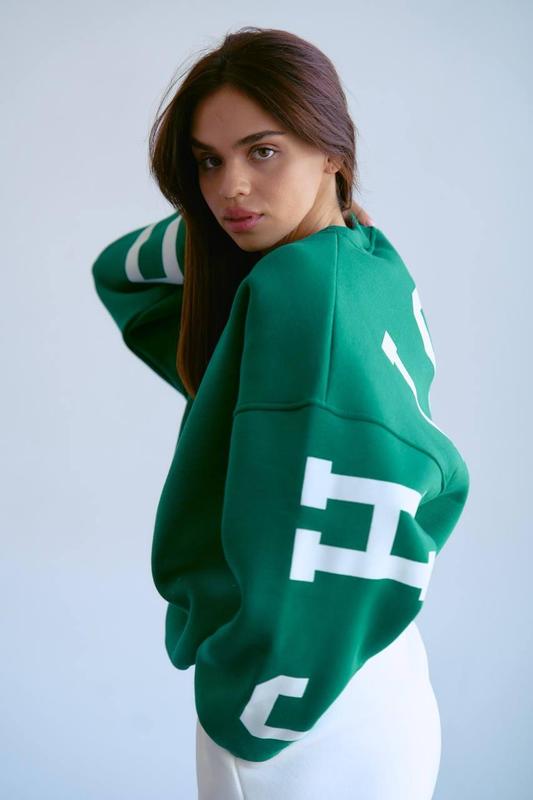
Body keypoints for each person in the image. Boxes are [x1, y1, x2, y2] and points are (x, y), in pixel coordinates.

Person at [91, 26, 470, 800]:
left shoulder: (299, 290)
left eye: (262, 151)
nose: (230, 187)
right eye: (208, 160)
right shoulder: (366, 254)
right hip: (373, 666)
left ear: (331, 150)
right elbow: (123, 272)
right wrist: (223, 238)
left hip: (295, 706)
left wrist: (254, 702)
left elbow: (351, 507)